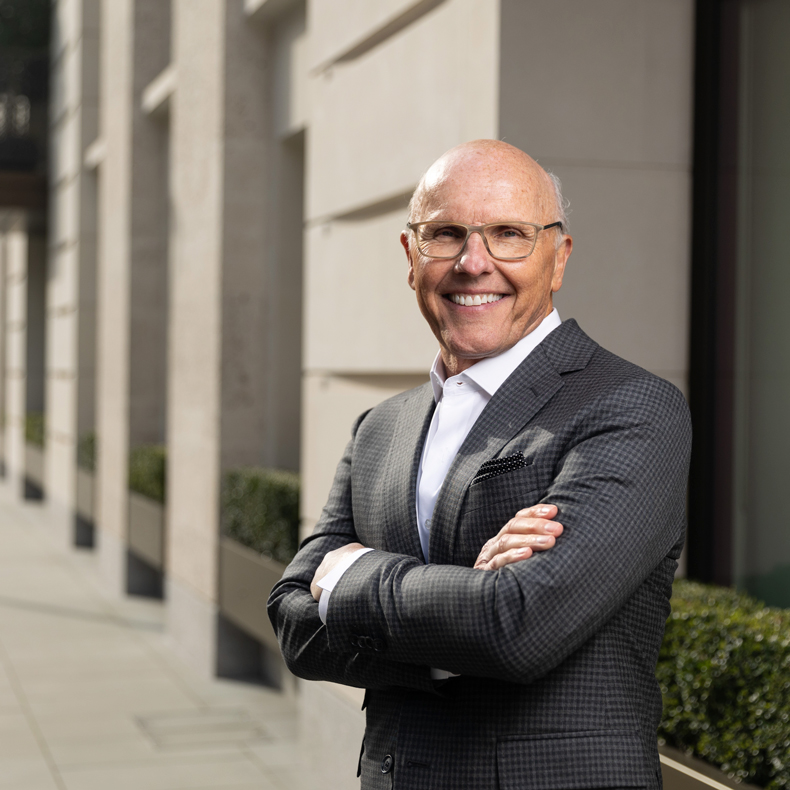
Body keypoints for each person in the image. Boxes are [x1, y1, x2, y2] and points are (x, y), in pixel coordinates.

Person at [268, 139, 691, 790]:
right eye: (445, 235)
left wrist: (352, 577)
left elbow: (517, 626)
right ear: (411, 258)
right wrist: (460, 609)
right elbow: (294, 624)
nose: (474, 263)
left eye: (509, 234)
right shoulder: (380, 429)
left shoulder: (631, 408)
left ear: (559, 257)